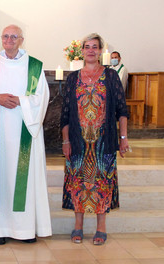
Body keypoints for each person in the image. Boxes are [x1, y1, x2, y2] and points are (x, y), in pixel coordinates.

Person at [0, 24, 52, 245]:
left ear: (21, 40)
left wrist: (21, 102)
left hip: (26, 130)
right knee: (0, 177)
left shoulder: (34, 66)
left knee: (25, 178)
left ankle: (25, 229)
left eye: (14, 36)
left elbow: (42, 98)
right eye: (5, 36)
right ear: (1, 39)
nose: (9, 40)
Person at [61, 33, 129, 245]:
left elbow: (122, 110)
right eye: (87, 47)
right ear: (81, 51)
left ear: (100, 51)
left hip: (104, 141)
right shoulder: (73, 78)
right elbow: (65, 114)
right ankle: (78, 226)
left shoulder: (110, 76)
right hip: (78, 142)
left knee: (102, 183)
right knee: (77, 182)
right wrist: (66, 141)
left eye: (95, 47)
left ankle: (101, 228)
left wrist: (123, 137)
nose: (90, 50)